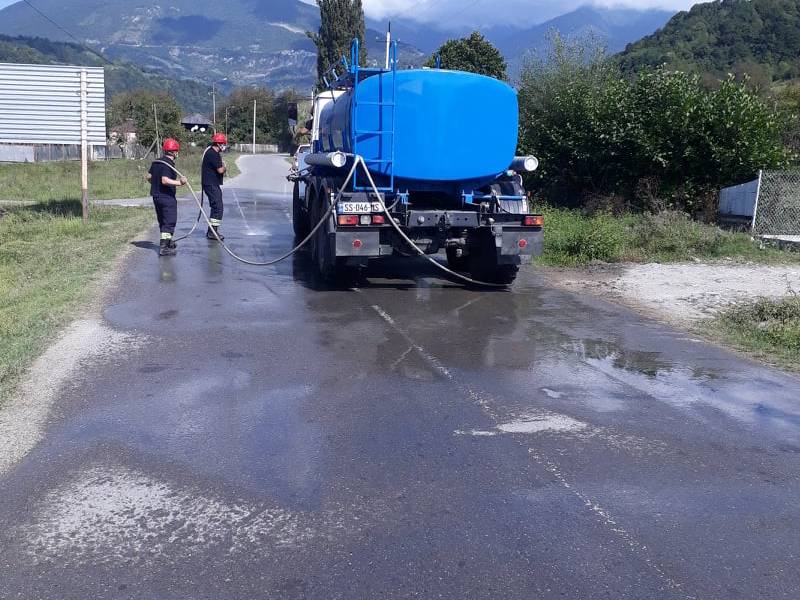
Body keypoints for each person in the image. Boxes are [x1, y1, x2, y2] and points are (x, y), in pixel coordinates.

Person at [147, 138, 187, 256]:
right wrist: (180, 182)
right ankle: (164, 248)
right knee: (169, 221)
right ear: (174, 152)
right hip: (166, 197)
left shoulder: (156, 162)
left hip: (156, 196)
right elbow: (164, 180)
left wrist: (155, 184)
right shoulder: (168, 164)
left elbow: (149, 177)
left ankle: (167, 242)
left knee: (162, 220)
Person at [202, 132, 229, 241]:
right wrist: (225, 167)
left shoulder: (212, 152)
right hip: (211, 184)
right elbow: (220, 170)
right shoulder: (212, 153)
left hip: (211, 183)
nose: (224, 146)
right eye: (223, 143)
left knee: (217, 206)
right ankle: (212, 232)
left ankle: (212, 231)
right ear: (218, 143)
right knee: (218, 207)